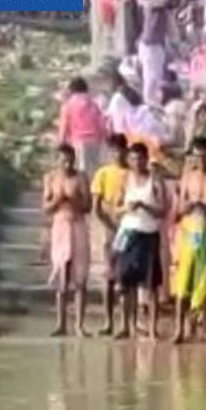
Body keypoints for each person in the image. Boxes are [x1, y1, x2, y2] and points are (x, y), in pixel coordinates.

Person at [171, 137, 206, 344]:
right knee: (183, 282)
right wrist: (191, 206)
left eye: (204, 156)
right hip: (189, 230)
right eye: (196, 157)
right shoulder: (186, 179)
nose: (200, 161)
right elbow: (177, 211)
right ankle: (180, 328)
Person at [114, 143, 166, 342]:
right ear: (128, 160)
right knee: (127, 284)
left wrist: (145, 205)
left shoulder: (155, 180)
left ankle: (153, 329)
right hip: (128, 234)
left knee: (151, 285)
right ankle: (128, 326)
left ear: (146, 158)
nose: (137, 162)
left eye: (140, 158)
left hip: (148, 234)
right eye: (133, 159)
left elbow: (163, 210)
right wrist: (126, 208)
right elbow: (115, 208)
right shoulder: (125, 180)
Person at [43, 144, 92, 337]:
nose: (67, 163)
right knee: (61, 277)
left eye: (70, 159)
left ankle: (79, 325)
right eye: (63, 160)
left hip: (78, 225)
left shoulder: (81, 177)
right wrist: (58, 199)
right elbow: (46, 207)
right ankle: (60, 324)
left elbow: (88, 206)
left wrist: (73, 200)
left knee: (80, 278)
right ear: (57, 160)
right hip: (60, 227)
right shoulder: (51, 178)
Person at [90, 134, 129, 336]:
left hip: (131, 229)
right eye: (112, 150)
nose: (116, 154)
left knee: (127, 277)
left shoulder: (132, 174)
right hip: (109, 230)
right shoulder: (103, 174)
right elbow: (96, 207)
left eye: (119, 149)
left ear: (125, 150)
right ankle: (108, 322)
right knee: (109, 276)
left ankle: (126, 323)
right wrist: (110, 225)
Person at [57, 77, 105, 172]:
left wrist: (61, 143)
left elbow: (64, 126)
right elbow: (101, 123)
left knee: (81, 170)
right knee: (94, 169)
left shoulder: (68, 105)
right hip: (95, 141)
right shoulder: (93, 103)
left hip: (77, 141)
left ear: (71, 90)